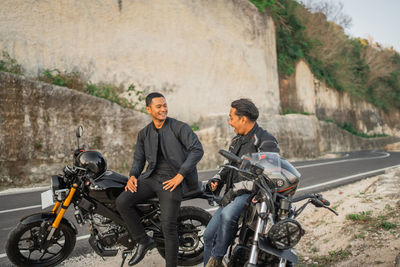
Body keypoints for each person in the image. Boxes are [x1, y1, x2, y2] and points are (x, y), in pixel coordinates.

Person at [116, 92, 204, 267]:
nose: (163, 109)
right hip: (151, 177)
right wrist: (133, 176)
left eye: (165, 105)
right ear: (148, 109)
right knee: (122, 201)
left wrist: (181, 175)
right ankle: (143, 240)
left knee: (168, 227)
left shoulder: (179, 127)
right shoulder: (144, 133)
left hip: (173, 180)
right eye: (159, 106)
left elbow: (197, 150)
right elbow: (138, 160)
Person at [203, 98, 280, 267]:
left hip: (251, 194)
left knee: (227, 215)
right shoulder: (237, 140)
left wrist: (236, 190)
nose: (230, 122)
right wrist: (217, 179)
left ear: (243, 119)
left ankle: (216, 258)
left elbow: (269, 176)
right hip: (232, 194)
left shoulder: (265, 141)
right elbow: (228, 166)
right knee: (208, 236)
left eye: (231, 118)